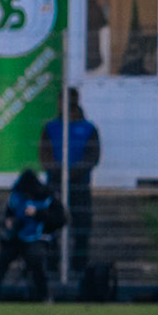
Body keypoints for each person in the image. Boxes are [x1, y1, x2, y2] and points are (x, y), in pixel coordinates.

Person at [0, 170, 60, 303]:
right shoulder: (16, 198)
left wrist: (38, 214)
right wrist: (8, 222)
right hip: (17, 238)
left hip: (38, 239)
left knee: (36, 260)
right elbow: (8, 215)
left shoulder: (48, 199)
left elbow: (59, 220)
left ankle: (43, 295)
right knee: (1, 262)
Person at [39, 88, 101, 266]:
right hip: (55, 183)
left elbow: (92, 156)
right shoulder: (51, 127)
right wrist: (58, 171)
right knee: (51, 223)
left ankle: (79, 262)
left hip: (79, 183)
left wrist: (72, 172)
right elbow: (45, 154)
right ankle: (52, 262)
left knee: (82, 224)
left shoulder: (88, 128)